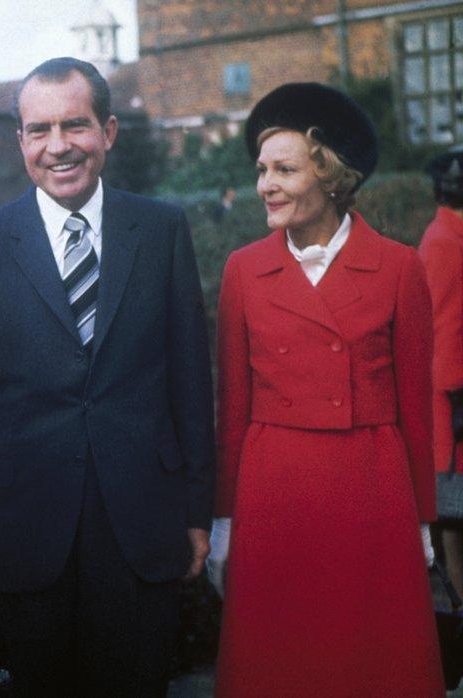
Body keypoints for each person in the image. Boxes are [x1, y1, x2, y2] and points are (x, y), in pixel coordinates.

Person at [0, 57, 215, 696]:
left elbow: (190, 382)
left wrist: (197, 510)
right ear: (20, 143)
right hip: (19, 530)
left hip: (141, 523)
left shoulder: (162, 229)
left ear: (108, 132)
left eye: (75, 126)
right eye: (39, 130)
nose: (58, 147)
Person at [207, 82, 443, 696]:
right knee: (281, 665)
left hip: (371, 488)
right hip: (274, 492)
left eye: (284, 170)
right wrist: (225, 520)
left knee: (368, 663)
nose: (266, 185)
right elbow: (232, 408)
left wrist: (422, 522)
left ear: (330, 176)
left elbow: (417, 408)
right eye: (261, 171)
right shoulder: (242, 269)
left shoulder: (398, 266)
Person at [420, 146, 463, 595]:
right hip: (456, 402)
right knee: (456, 515)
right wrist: (457, 398)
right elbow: (446, 326)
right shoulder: (446, 241)